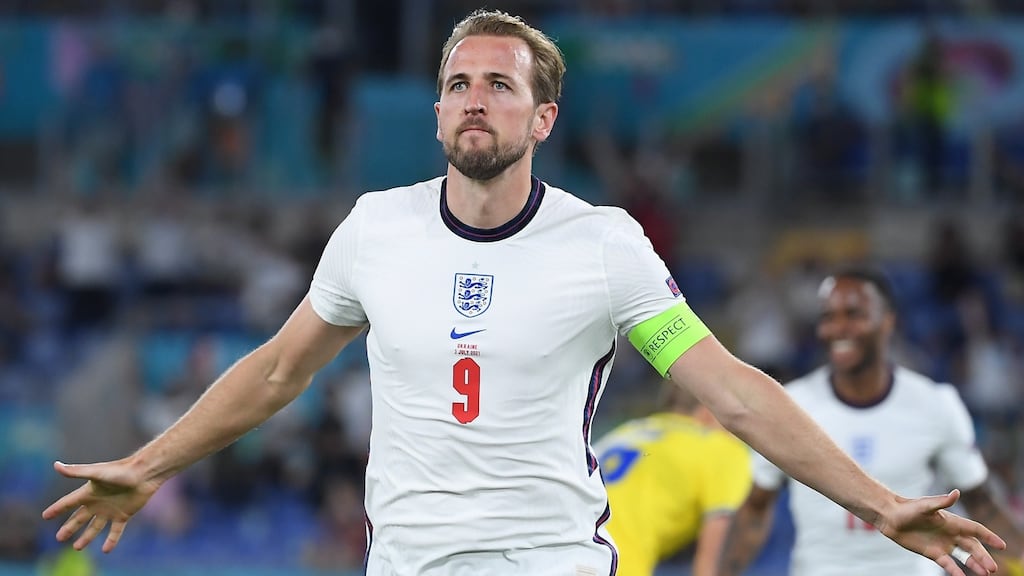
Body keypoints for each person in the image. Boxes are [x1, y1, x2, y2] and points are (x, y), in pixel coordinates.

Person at [42, 10, 1005, 576]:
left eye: (499, 85)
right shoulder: (377, 228)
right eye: (457, 82)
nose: (473, 98)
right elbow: (277, 373)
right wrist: (155, 463)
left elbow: (734, 393)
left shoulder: (602, 244)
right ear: (435, 111)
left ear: (542, 116)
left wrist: (879, 506)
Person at [717, 266, 1024, 576]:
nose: (838, 328)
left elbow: (983, 505)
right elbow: (754, 510)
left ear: (888, 320)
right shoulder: (790, 404)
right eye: (828, 316)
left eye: (853, 314)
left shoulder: (935, 404)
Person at [594, 381, 751, 576]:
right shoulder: (722, 449)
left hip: (557, 550)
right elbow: (714, 557)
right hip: (615, 563)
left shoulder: (628, 430)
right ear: (709, 411)